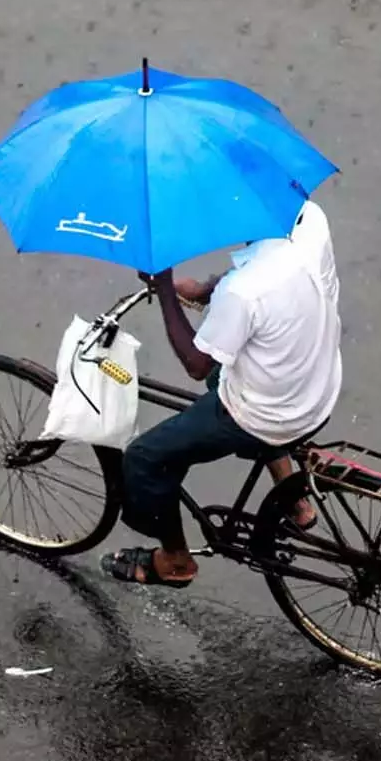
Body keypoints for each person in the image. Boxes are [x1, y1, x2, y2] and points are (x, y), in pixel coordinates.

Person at [102, 201, 342, 587]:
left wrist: (164, 287)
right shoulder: (312, 218)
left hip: (267, 413)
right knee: (232, 369)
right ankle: (293, 498)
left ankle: (175, 562)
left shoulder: (243, 291)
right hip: (315, 383)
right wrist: (202, 291)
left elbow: (197, 364)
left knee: (146, 458)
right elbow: (259, 278)